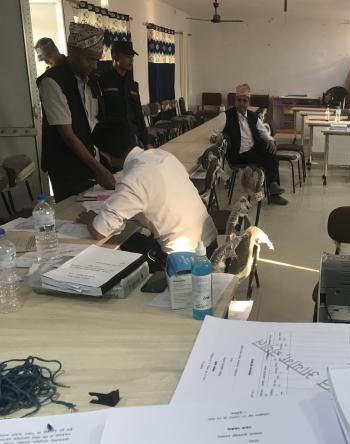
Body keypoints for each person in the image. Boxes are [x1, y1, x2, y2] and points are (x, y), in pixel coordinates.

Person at [77, 120, 218, 269]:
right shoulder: (163, 155)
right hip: (210, 245)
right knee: (133, 239)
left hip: (184, 263)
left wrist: (90, 219)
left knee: (118, 251)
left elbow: (99, 231)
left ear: (105, 156)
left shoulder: (133, 181)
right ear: (135, 139)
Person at [37, 23, 115, 202]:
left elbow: (94, 121)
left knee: (101, 210)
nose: (95, 66)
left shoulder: (91, 79)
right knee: (73, 214)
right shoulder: (52, 82)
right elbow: (68, 135)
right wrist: (98, 169)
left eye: (97, 60)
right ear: (72, 52)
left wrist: (105, 154)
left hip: (93, 161)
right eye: (90, 59)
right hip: (68, 169)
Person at [210, 83, 287, 205]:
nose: (241, 103)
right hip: (238, 154)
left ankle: (272, 186)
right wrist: (215, 138)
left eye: (244, 101)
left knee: (271, 151)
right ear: (235, 101)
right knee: (267, 161)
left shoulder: (253, 116)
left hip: (253, 148)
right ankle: (272, 193)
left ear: (248, 102)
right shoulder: (225, 116)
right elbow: (213, 134)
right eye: (239, 100)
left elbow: (263, 131)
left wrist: (270, 141)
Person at [99, 41, 152, 148]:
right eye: (127, 56)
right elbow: (100, 114)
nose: (131, 60)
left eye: (132, 57)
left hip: (133, 138)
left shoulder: (132, 84)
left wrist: (146, 142)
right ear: (115, 56)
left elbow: (138, 115)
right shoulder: (103, 81)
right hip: (113, 140)